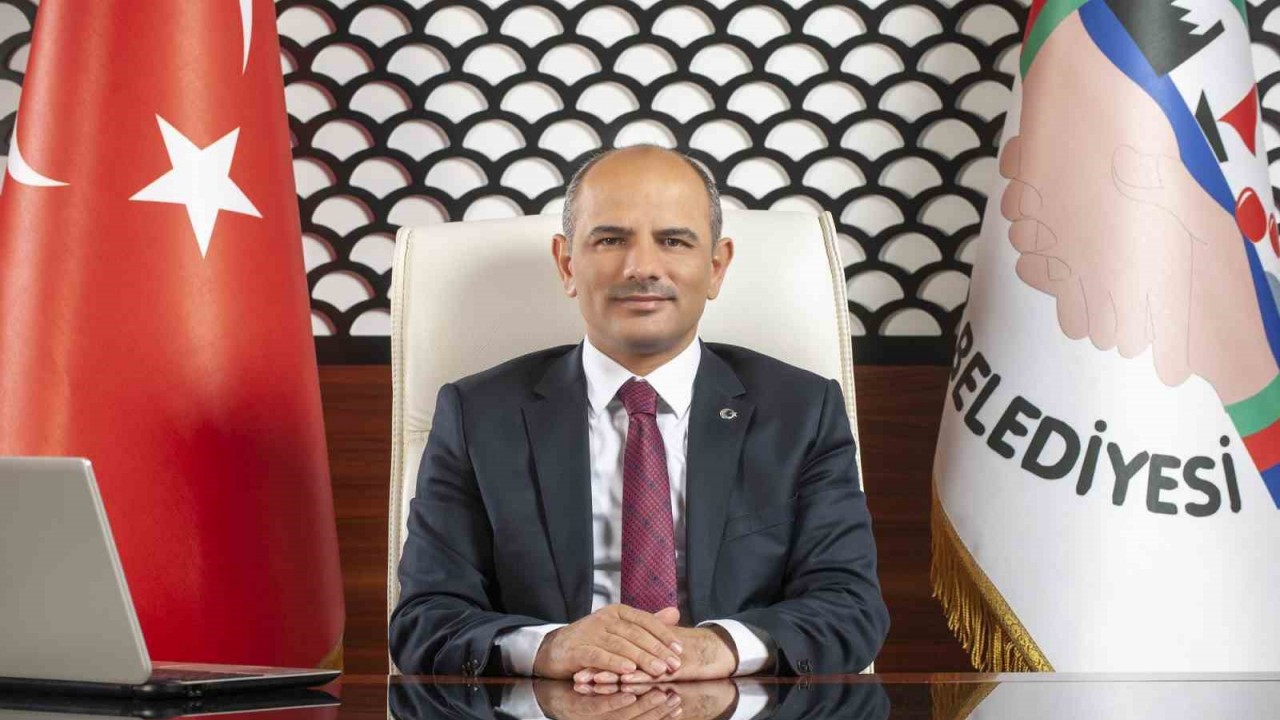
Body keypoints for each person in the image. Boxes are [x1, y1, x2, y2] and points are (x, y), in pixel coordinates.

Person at [388, 145, 889, 680]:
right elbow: (425, 620)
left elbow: (850, 607)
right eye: (610, 240)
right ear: (567, 264)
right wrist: (551, 647)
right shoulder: (478, 415)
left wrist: (717, 648)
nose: (642, 268)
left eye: (674, 241)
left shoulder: (802, 412)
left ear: (716, 267)